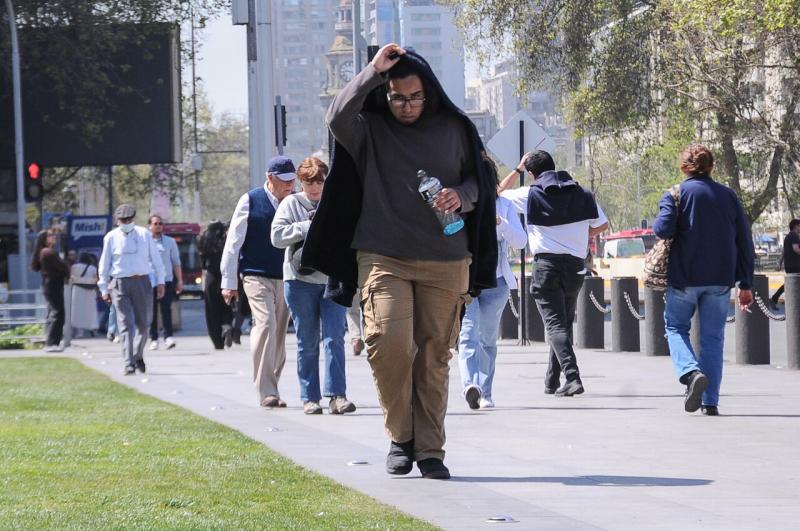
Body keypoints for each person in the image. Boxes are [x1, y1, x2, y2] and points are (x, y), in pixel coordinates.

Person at [303, 44, 498, 480]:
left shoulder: (455, 128)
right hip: (383, 254)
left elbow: (480, 182)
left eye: (414, 97)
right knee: (387, 343)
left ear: (428, 93)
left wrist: (460, 196)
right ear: (385, 94)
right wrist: (373, 70)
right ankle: (400, 436)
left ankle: (430, 450)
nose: (406, 106)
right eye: (397, 97)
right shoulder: (369, 129)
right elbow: (335, 117)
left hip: (446, 259)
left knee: (434, 356)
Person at [653, 144, 754, 416]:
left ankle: (689, 372)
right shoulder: (728, 196)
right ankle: (710, 402)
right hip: (720, 279)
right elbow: (744, 241)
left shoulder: (676, 194)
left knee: (675, 328)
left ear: (684, 167)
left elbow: (662, 229)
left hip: (684, 277)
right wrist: (746, 283)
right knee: (713, 339)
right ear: (711, 166)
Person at [500, 150, 609, 397]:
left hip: (546, 267)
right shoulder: (582, 193)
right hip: (575, 267)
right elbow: (602, 224)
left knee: (555, 325)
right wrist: (580, 236)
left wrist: (516, 170)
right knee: (563, 323)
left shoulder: (530, 193)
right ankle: (552, 380)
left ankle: (572, 376)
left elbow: (497, 192)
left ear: (531, 174)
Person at [271, 156, 356, 415]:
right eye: (309, 183)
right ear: (301, 182)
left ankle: (337, 396)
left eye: (319, 182)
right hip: (299, 282)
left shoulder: (336, 203)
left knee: (334, 339)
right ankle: (310, 397)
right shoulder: (290, 204)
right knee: (307, 342)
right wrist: (306, 227)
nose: (314, 188)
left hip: (332, 280)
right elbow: (276, 237)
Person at [220, 155, 295, 408]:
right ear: (269, 177)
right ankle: (267, 391)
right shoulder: (250, 200)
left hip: (286, 276)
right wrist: (228, 281)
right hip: (255, 274)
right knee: (266, 324)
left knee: (280, 335)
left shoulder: (294, 202)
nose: (289, 185)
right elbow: (233, 243)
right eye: (284, 181)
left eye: (292, 180)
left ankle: (272, 384)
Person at [459, 157, 527, 409]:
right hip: (466, 282)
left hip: (496, 283)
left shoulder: (505, 205)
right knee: (467, 336)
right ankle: (470, 385)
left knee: (487, 339)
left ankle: (485, 392)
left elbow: (521, 242)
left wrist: (501, 224)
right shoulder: (463, 204)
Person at [98, 204, 166, 374]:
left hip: (142, 281)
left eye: (129, 219)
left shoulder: (144, 235)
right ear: (117, 221)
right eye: (123, 220)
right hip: (120, 283)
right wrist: (104, 289)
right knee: (125, 325)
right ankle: (128, 362)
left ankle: (137, 354)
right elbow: (104, 265)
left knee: (144, 324)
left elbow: (156, 260)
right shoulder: (111, 237)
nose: (126, 222)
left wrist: (161, 282)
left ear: (133, 219)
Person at [146, 214, 182, 350]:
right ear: (150, 226)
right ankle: (153, 338)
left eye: (160, 223)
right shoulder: (145, 241)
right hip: (150, 281)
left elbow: (176, 262)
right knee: (152, 310)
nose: (158, 226)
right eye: (155, 224)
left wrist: (179, 280)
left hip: (166, 280)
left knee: (166, 309)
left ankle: (168, 336)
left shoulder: (170, 242)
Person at [31, 229, 70, 352]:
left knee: (52, 313)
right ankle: (52, 343)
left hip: (50, 284)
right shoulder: (47, 252)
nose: (54, 237)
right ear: (44, 239)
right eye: (50, 235)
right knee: (58, 313)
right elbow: (63, 267)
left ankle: (51, 342)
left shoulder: (45, 252)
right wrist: (67, 271)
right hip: (53, 284)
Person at [198, 220, 234, 349]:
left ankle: (217, 341)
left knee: (212, 310)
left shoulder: (203, 241)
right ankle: (227, 325)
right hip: (225, 276)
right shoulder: (226, 241)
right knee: (227, 304)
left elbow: (201, 261)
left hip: (210, 277)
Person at [770, 219, 800, 308]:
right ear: (796, 226)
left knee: (790, 283)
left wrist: (779, 263)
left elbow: (784, 252)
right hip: (795, 265)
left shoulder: (787, 237)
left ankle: (775, 298)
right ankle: (775, 298)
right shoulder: (794, 236)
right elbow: (796, 249)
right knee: (792, 283)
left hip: (789, 265)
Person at [70, 252, 99, 337]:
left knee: (78, 310)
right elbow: (95, 279)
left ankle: (79, 332)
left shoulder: (74, 267)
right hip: (90, 291)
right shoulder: (93, 268)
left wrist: (79, 280)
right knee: (91, 310)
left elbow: (72, 278)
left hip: (78, 290)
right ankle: (92, 328)